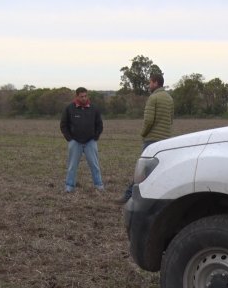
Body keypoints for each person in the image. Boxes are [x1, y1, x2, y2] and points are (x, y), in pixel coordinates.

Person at [116, 73, 174, 203]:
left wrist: (143, 133)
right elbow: (171, 119)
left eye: (150, 82)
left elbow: (148, 121)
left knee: (142, 171)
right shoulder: (169, 98)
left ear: (155, 83)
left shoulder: (153, 98)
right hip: (165, 140)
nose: (149, 85)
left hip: (152, 139)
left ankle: (129, 196)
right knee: (160, 170)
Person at [60, 87, 104, 193]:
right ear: (76, 96)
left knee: (95, 165)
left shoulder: (94, 108)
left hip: (90, 142)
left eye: (85, 96)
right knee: (72, 166)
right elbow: (63, 125)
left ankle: (99, 185)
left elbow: (99, 124)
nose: (84, 98)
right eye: (81, 96)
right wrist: (70, 139)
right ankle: (69, 186)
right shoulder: (69, 108)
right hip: (75, 142)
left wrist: (95, 137)